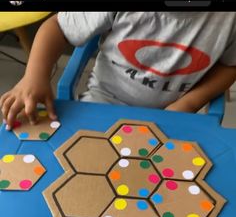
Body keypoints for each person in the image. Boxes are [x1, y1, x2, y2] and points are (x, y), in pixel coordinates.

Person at [1, 11, 236, 129]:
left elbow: (230, 64)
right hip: (103, 102)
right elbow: (57, 26)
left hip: (172, 114)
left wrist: (189, 103)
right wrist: (33, 77)